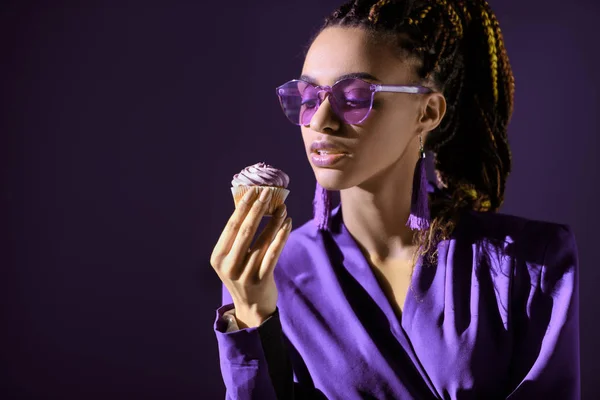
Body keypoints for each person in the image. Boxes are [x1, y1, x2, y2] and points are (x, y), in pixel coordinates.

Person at [210, 0, 580, 398]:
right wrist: (252, 318)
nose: (320, 121)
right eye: (308, 96)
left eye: (353, 97)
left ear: (427, 112)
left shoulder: (530, 264)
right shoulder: (272, 274)